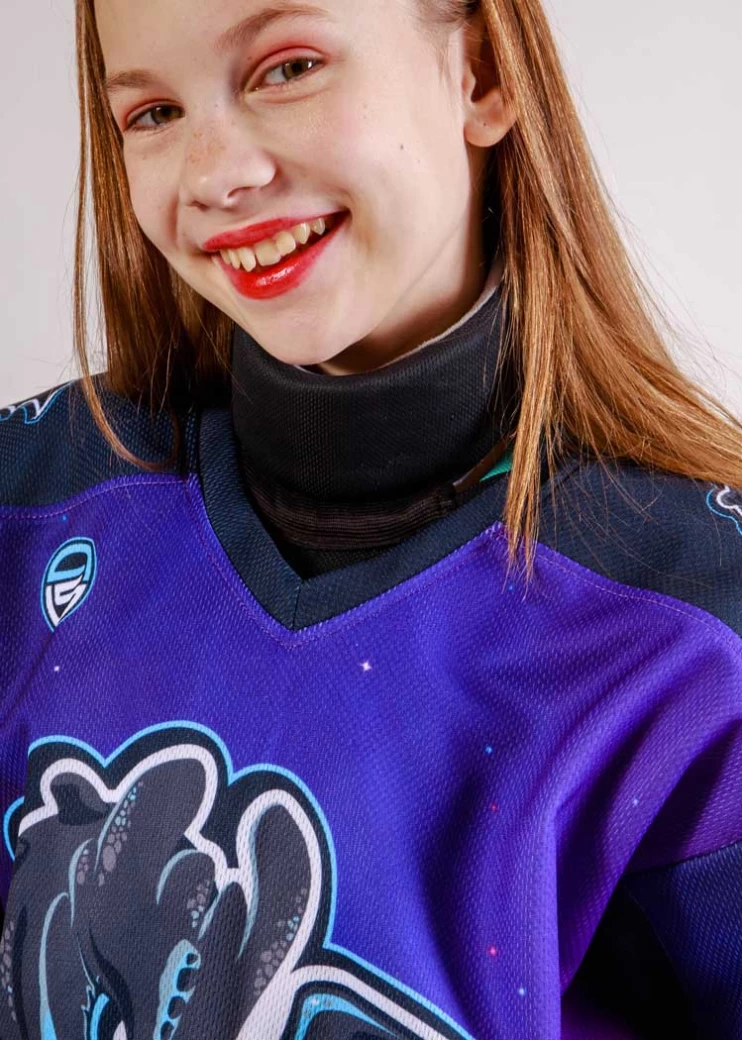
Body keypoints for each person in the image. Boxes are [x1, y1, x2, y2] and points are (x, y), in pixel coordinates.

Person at [0, 0, 740, 1036]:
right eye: (154, 113)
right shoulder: (30, 503)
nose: (215, 174)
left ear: (483, 73)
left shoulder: (696, 633)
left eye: (288, 68)